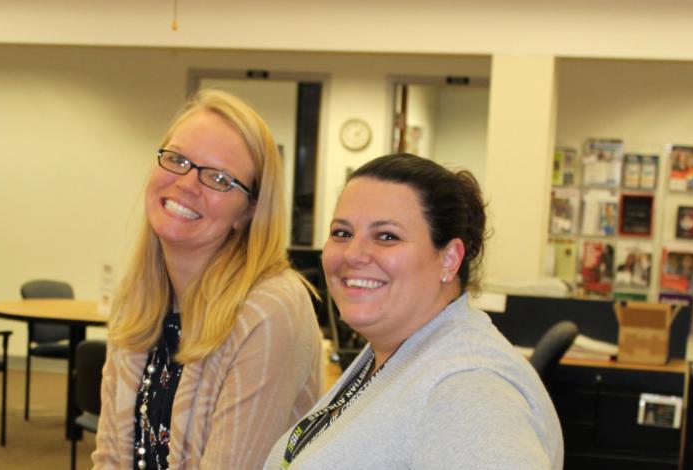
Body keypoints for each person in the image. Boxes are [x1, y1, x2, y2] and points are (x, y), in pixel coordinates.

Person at [265, 154, 563, 469]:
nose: (353, 253)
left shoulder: (469, 388)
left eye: (387, 236)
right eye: (342, 233)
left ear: (449, 259)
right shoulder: (396, 351)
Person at [93, 90, 322, 469]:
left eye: (218, 178)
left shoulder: (270, 310)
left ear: (249, 211)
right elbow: (111, 458)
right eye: (177, 159)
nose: (186, 183)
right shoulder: (139, 300)